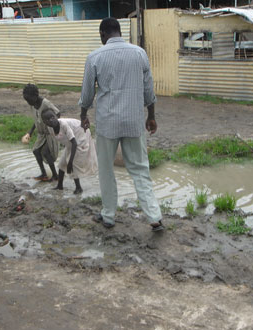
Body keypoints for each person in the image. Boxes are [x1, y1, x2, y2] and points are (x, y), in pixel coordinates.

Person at [79, 17, 164, 232]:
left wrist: (83, 115)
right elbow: (149, 89)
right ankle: (154, 216)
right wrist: (151, 115)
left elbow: (87, 92)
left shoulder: (95, 57)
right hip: (134, 120)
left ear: (102, 34)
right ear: (120, 32)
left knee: (106, 169)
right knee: (140, 169)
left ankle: (108, 215)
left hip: (108, 123)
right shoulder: (139, 53)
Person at [41, 108, 98, 194]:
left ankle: (78, 188)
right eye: (48, 119)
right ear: (45, 122)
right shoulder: (50, 128)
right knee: (62, 163)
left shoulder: (63, 124)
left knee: (73, 163)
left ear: (56, 116)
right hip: (72, 140)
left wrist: (70, 162)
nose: (51, 120)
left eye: (52, 117)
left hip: (81, 133)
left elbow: (74, 143)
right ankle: (60, 186)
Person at [22, 84, 59, 182]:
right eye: (27, 100)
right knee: (36, 151)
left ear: (36, 95)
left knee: (46, 152)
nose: (28, 102)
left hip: (50, 133)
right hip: (41, 134)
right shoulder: (33, 105)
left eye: (29, 100)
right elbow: (37, 120)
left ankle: (55, 176)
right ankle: (44, 174)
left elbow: (57, 113)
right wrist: (29, 133)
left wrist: (54, 126)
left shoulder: (45, 103)